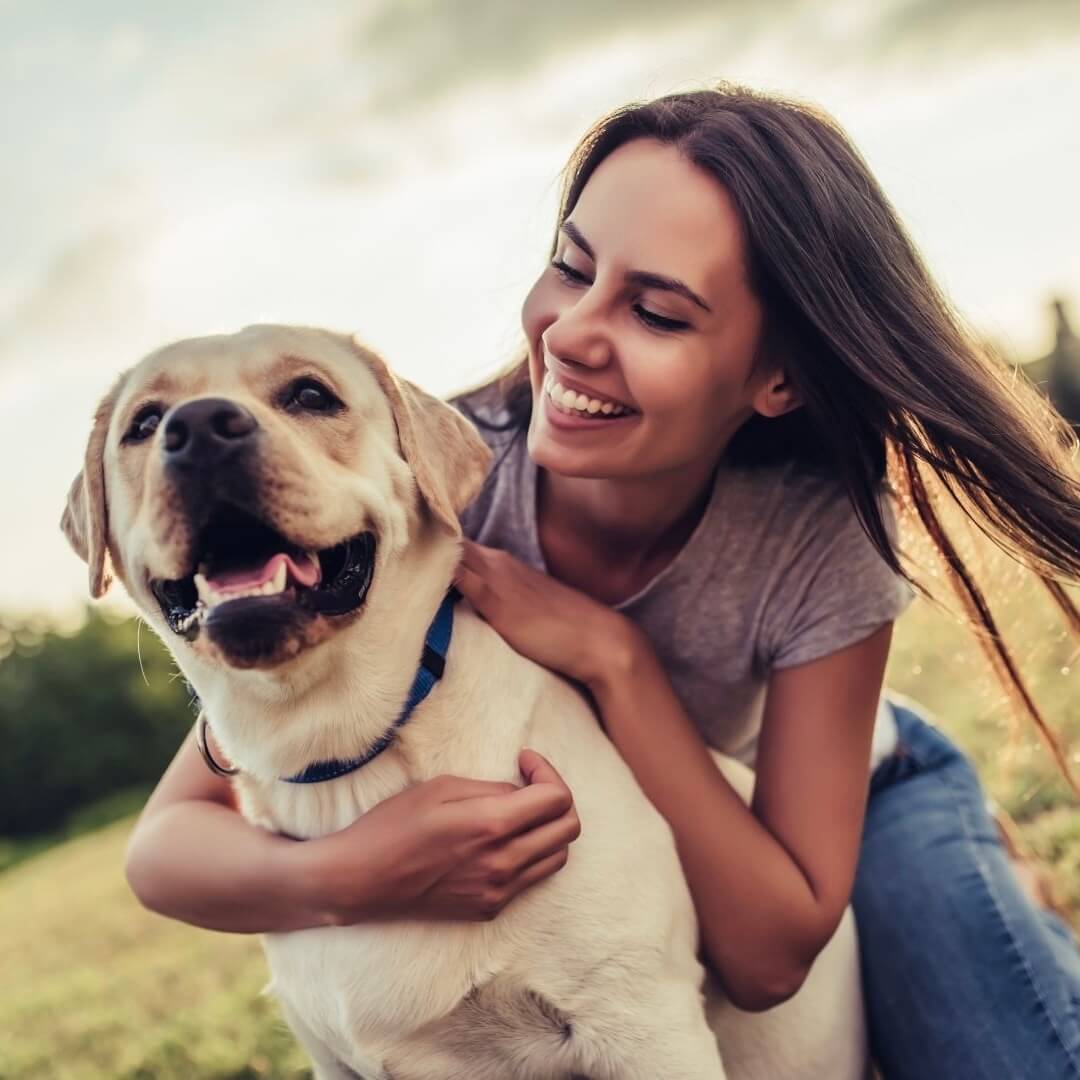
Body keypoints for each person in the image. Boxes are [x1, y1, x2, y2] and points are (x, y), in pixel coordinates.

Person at [125, 86, 1080, 1078]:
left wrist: (616, 660)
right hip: (648, 870)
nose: (572, 333)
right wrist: (357, 871)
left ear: (777, 379)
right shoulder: (423, 487)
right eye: (571, 268)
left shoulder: (816, 531)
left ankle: (988, 876)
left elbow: (767, 954)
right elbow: (165, 846)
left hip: (850, 804)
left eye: (656, 311)